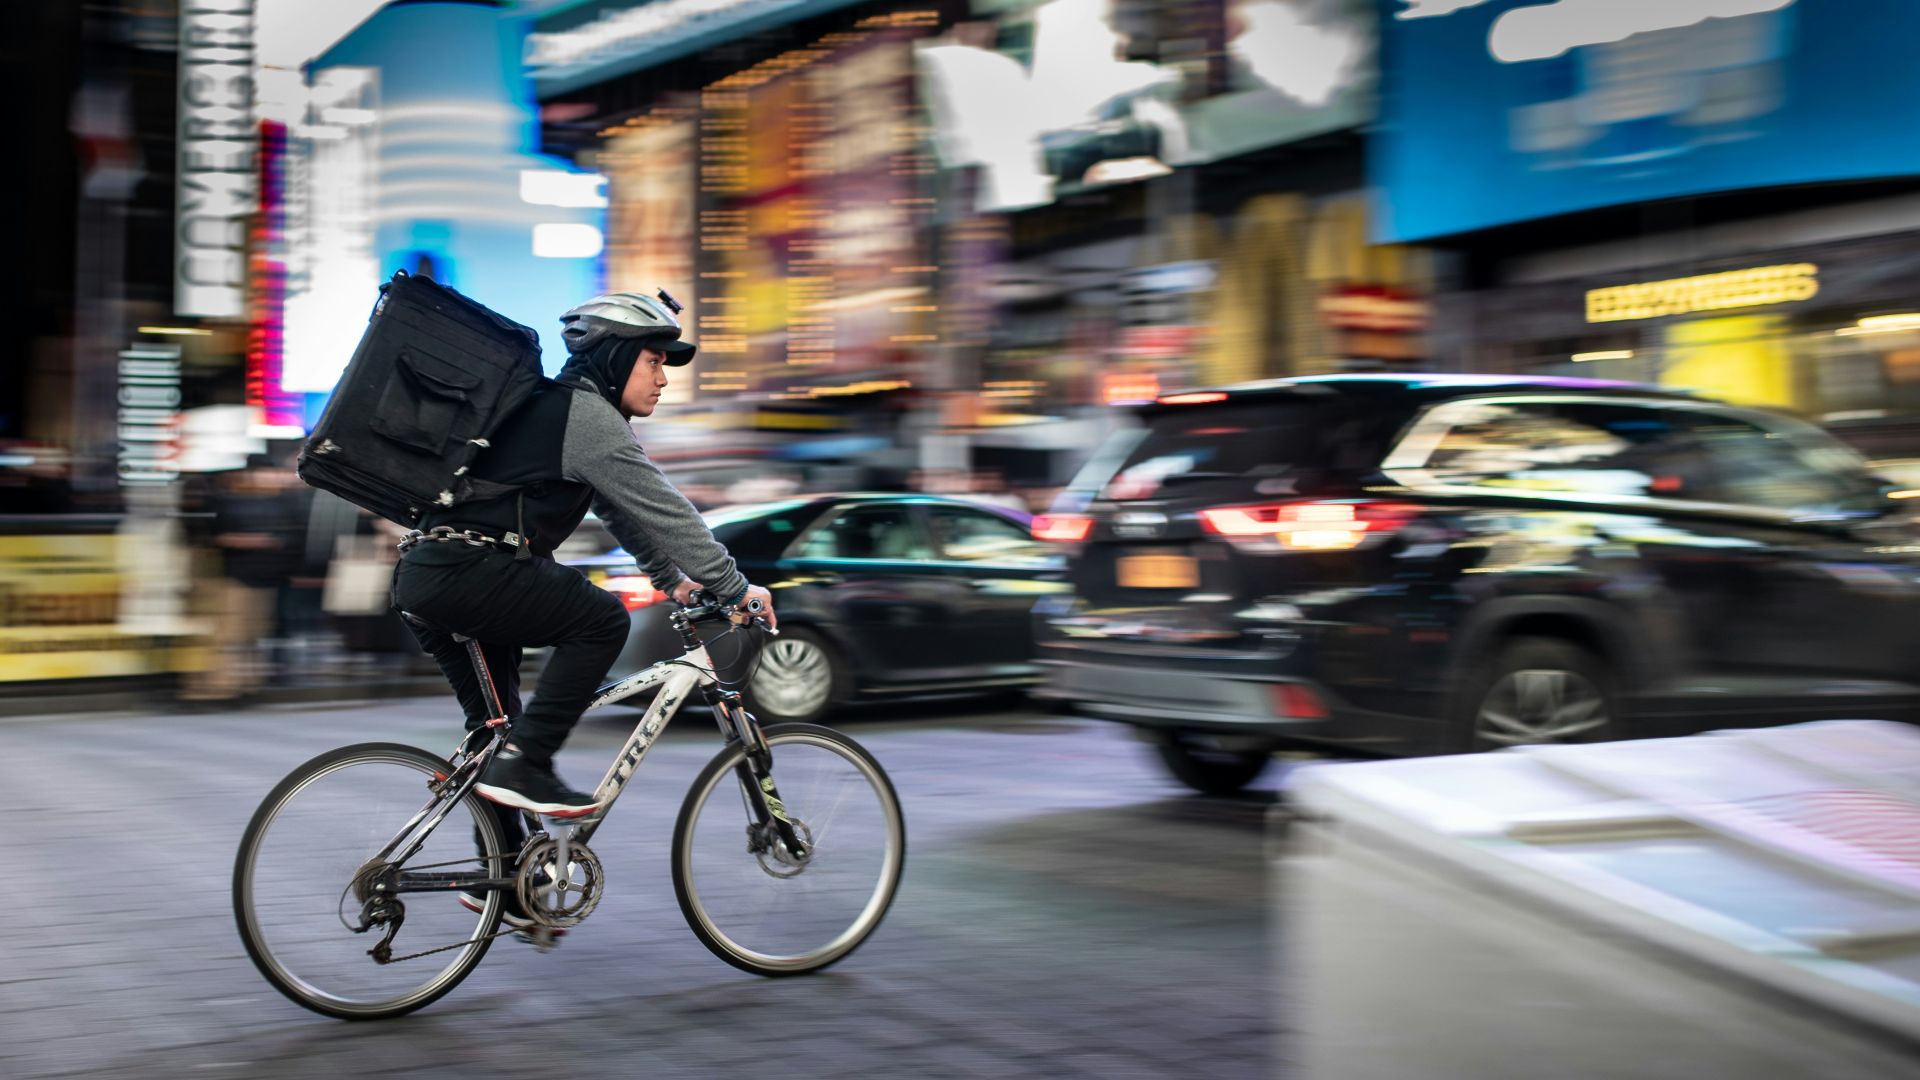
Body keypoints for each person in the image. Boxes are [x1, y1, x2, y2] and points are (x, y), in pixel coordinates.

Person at [391, 290, 777, 837]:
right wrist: (734, 587)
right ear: (617, 357)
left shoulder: (560, 412)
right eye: (654, 361)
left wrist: (673, 581)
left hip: (432, 575)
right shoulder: (587, 417)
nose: (662, 379)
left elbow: (620, 513)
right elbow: (668, 512)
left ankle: (500, 886)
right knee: (601, 620)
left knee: (497, 734)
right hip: (472, 571)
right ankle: (530, 764)